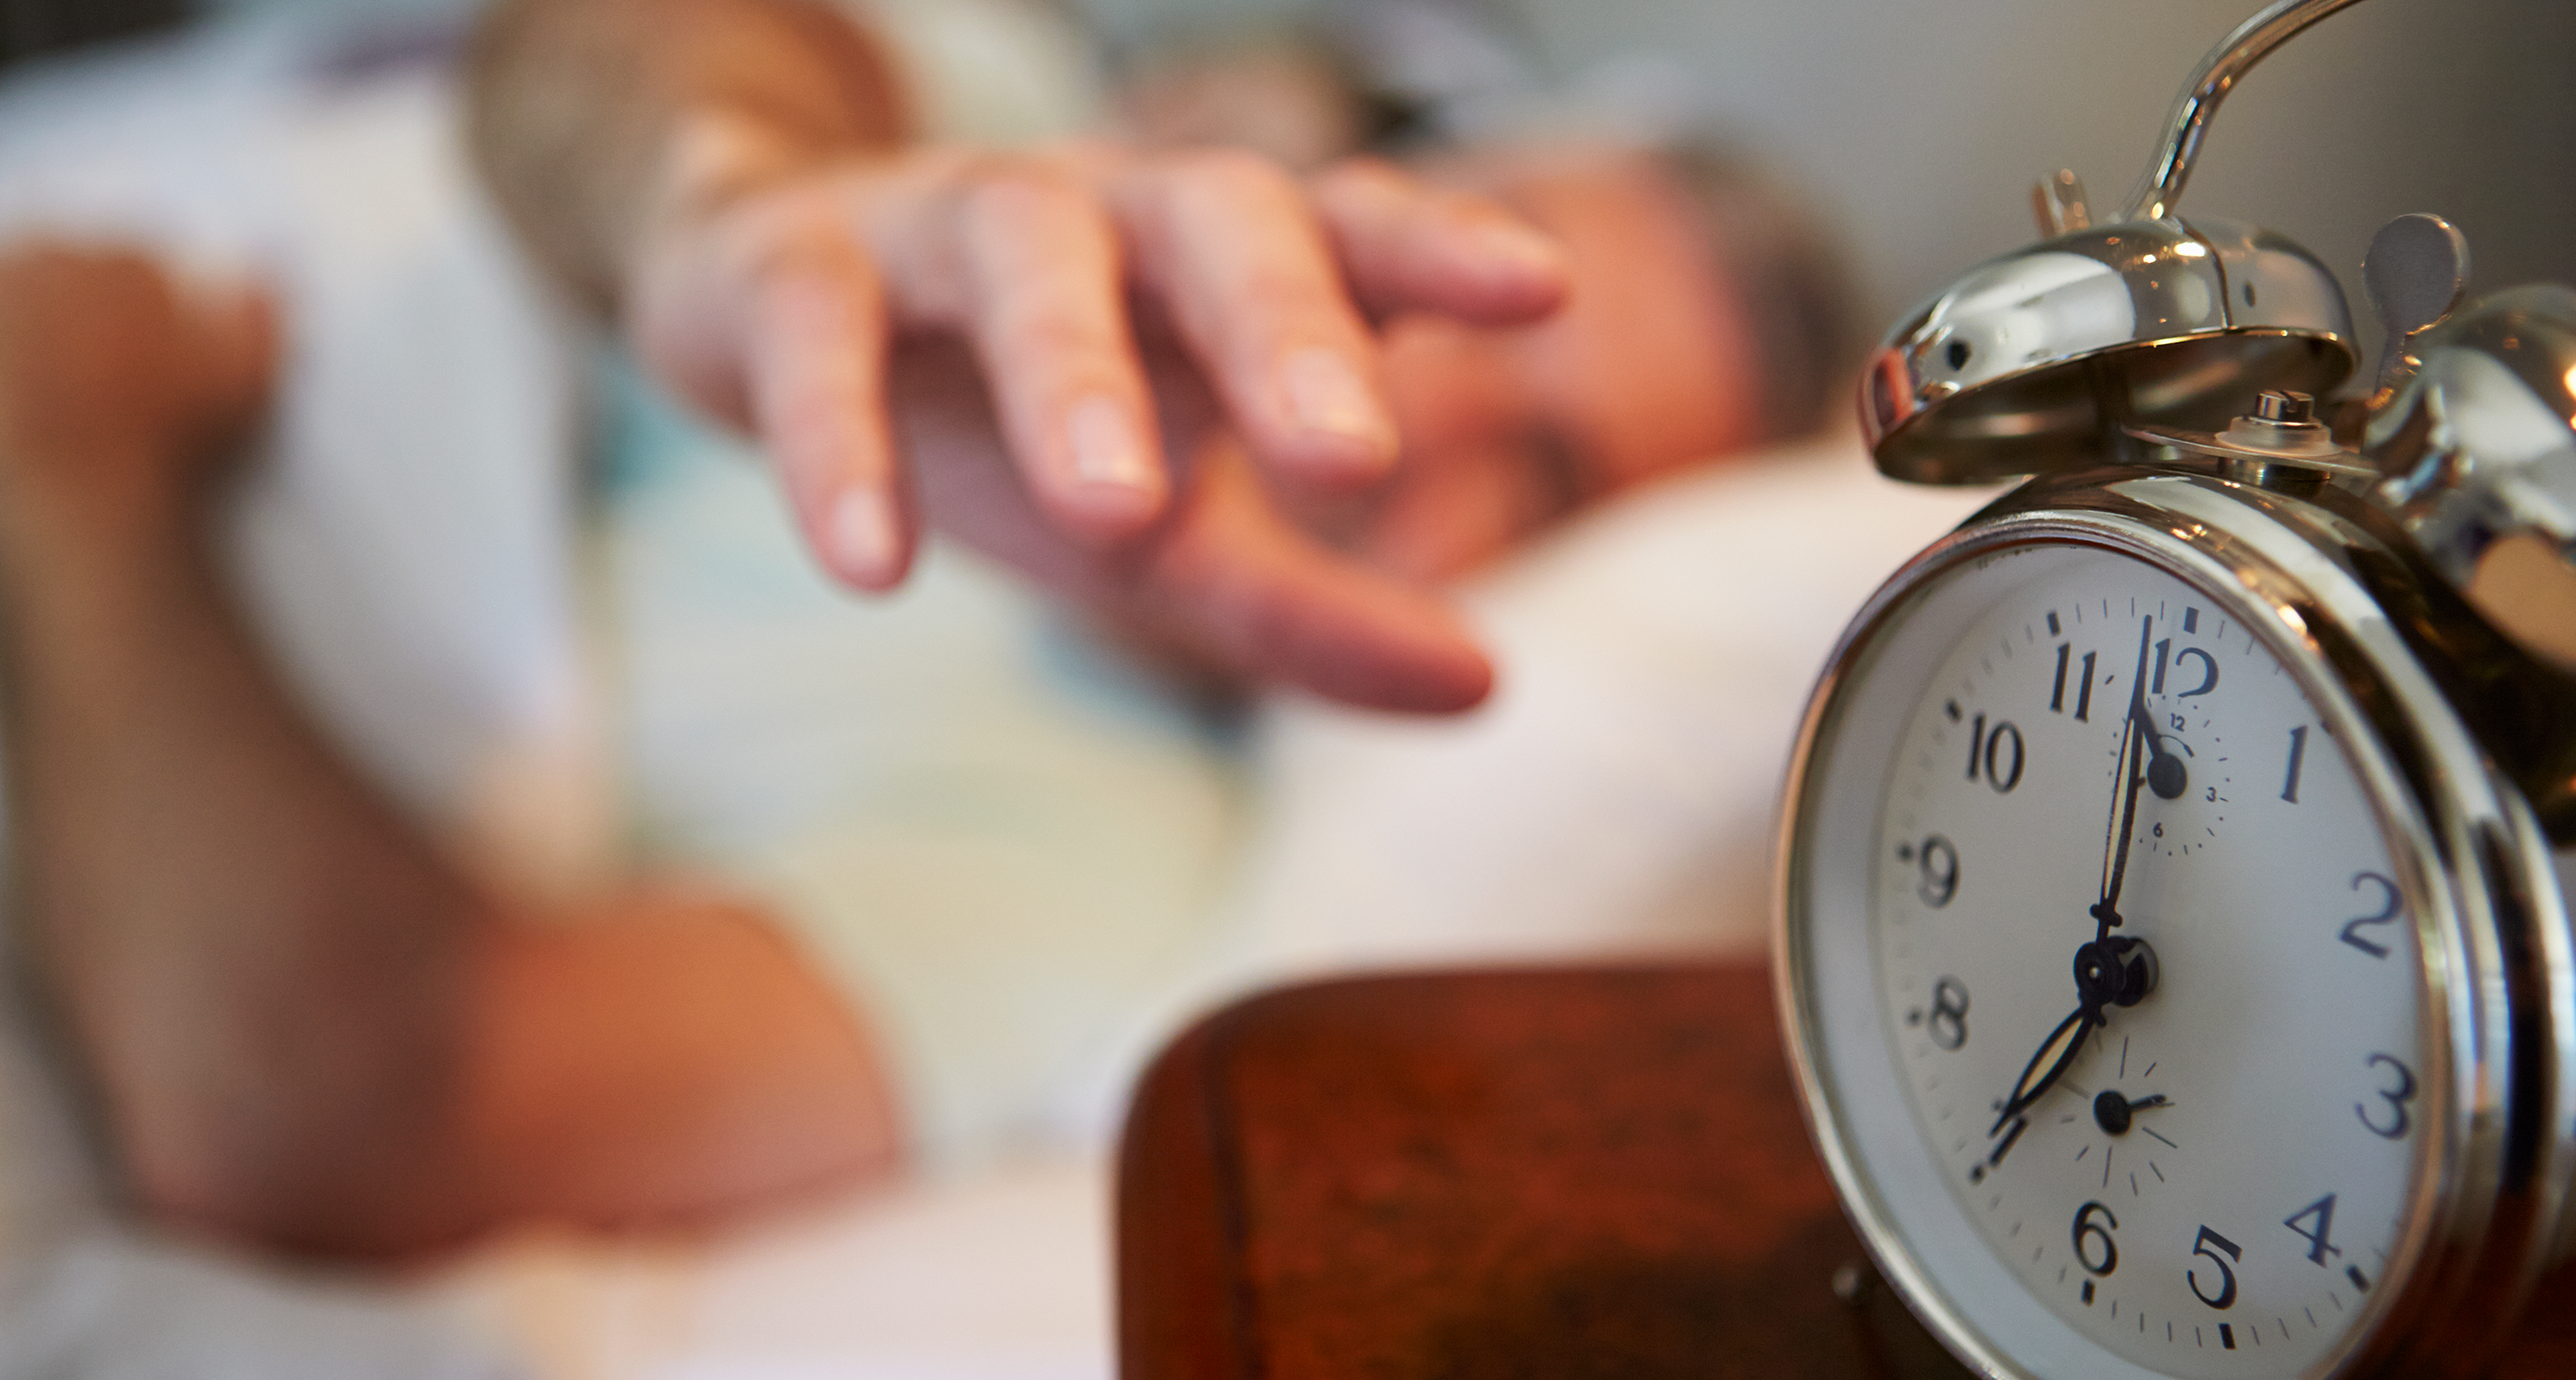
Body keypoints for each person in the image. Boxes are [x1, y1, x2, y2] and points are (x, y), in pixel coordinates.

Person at [0, 0, 1823, 1263]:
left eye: (1550, 474)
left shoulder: (1093, 878)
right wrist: (732, 207)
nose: (1407, 423)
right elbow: (575, 54)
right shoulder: (983, 150)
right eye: (1467, 289)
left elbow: (322, 1119)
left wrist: (81, 485)